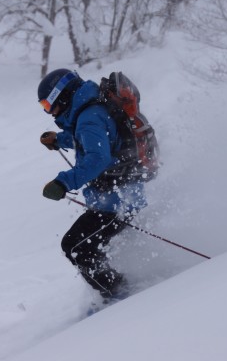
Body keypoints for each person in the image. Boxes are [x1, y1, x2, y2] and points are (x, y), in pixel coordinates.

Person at [37, 69, 147, 300]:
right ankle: (119, 289)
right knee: (84, 247)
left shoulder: (89, 116)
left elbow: (98, 157)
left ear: (63, 96)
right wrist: (60, 139)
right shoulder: (90, 110)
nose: (49, 112)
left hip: (118, 202)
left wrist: (63, 182)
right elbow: (91, 138)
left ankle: (121, 295)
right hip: (119, 196)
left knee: (76, 247)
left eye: (49, 105)